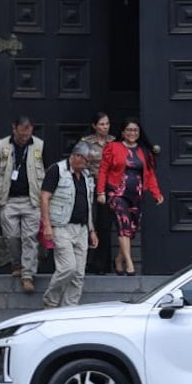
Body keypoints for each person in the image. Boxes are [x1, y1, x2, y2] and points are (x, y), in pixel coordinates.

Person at [0, 115, 46, 294]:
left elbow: (49, 170)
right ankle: (16, 263)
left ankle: (28, 275)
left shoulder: (39, 146)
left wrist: (47, 198)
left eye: (27, 134)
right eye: (21, 134)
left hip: (32, 200)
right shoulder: (2, 145)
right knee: (11, 236)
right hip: (8, 199)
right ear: (14, 129)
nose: (24, 138)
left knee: (30, 238)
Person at [96, 117, 163, 276]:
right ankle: (129, 263)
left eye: (135, 130)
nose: (132, 133)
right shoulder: (113, 147)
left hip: (136, 195)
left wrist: (156, 193)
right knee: (123, 226)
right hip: (117, 193)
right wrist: (101, 192)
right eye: (129, 130)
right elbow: (103, 170)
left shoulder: (144, 151)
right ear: (123, 132)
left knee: (131, 230)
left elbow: (150, 175)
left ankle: (119, 259)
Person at [39, 142, 98, 309]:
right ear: (77, 156)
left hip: (82, 228)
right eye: (86, 160)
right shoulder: (56, 170)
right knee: (68, 267)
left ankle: (69, 307)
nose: (87, 164)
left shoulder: (86, 175)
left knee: (78, 273)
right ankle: (50, 300)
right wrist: (47, 225)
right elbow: (44, 197)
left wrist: (92, 230)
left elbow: (88, 203)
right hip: (61, 226)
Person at [79, 112, 115, 274]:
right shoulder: (86, 142)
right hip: (89, 185)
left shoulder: (114, 142)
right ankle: (87, 261)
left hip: (108, 187)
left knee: (104, 225)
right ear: (94, 126)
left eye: (107, 124)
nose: (105, 127)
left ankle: (103, 264)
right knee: (89, 222)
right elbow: (79, 162)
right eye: (101, 124)